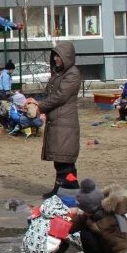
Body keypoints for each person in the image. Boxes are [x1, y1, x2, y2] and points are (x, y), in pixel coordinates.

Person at [39, 40, 83, 196]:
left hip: (65, 122)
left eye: (59, 56)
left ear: (67, 57)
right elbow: (51, 94)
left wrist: (40, 107)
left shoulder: (72, 74)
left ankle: (69, 189)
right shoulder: (59, 74)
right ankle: (62, 188)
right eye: (55, 56)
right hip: (58, 122)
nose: (56, 59)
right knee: (60, 160)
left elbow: (60, 96)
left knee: (65, 160)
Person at [70, 179, 127, 253]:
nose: (84, 212)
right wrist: (64, 226)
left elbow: (122, 247)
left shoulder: (111, 222)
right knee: (86, 230)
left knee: (86, 234)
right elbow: (79, 221)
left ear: (91, 208)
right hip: (106, 245)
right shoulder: (94, 213)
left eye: (85, 210)